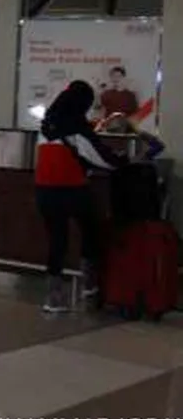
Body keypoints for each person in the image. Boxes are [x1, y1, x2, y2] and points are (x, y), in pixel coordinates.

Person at [36, 80, 125, 313]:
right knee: (91, 230)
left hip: (45, 191)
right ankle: (90, 285)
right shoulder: (76, 128)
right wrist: (122, 161)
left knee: (57, 241)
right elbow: (102, 159)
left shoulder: (47, 126)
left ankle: (53, 298)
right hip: (71, 189)